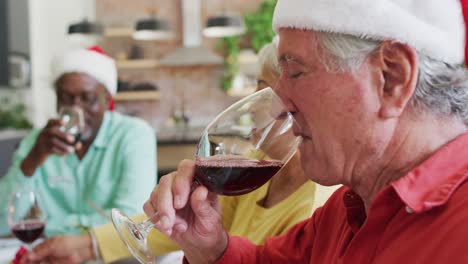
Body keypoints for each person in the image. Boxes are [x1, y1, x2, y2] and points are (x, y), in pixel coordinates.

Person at [142, 0, 468, 263]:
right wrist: (209, 248)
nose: (280, 102)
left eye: (295, 72)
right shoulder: (345, 210)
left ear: (391, 77)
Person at [21, 41, 317, 264]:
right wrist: (84, 245)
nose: (255, 110)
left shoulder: (318, 206)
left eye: (265, 94)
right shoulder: (260, 171)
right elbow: (187, 228)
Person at [0, 46, 157, 236]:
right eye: (66, 98)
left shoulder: (133, 135)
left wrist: (49, 227)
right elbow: (4, 223)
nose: (76, 109)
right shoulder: (37, 142)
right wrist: (31, 162)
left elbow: (133, 221)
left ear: (107, 100)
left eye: (88, 99)